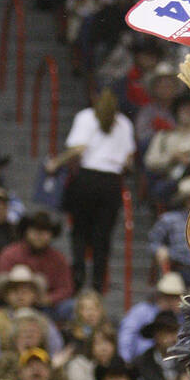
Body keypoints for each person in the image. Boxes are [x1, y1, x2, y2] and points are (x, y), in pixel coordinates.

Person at [47, 89, 135, 292]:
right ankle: (98, 280)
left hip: (86, 179)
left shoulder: (86, 117)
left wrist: (56, 163)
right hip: (111, 182)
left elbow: (78, 149)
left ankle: (77, 275)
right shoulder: (124, 123)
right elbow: (129, 161)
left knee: (79, 230)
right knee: (102, 235)